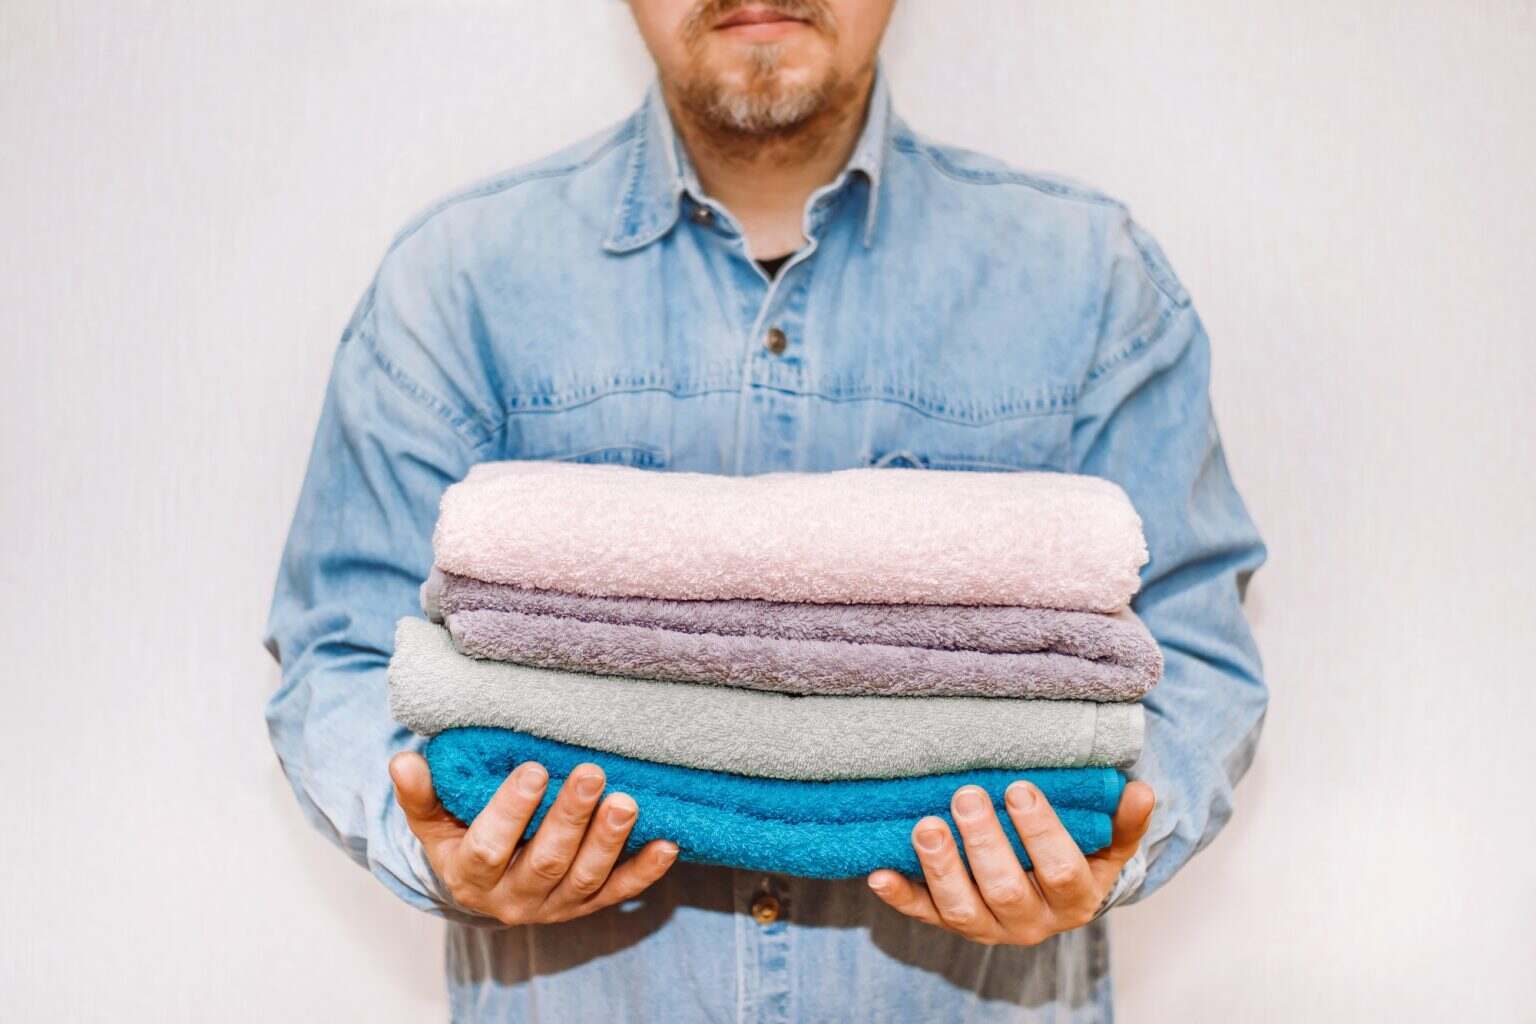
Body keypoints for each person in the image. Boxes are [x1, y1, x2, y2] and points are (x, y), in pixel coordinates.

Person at [262, 1, 1268, 1019]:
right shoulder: (456, 283)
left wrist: (1114, 840)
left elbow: (1189, 650)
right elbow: (344, 649)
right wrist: (430, 835)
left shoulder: (1092, 278)